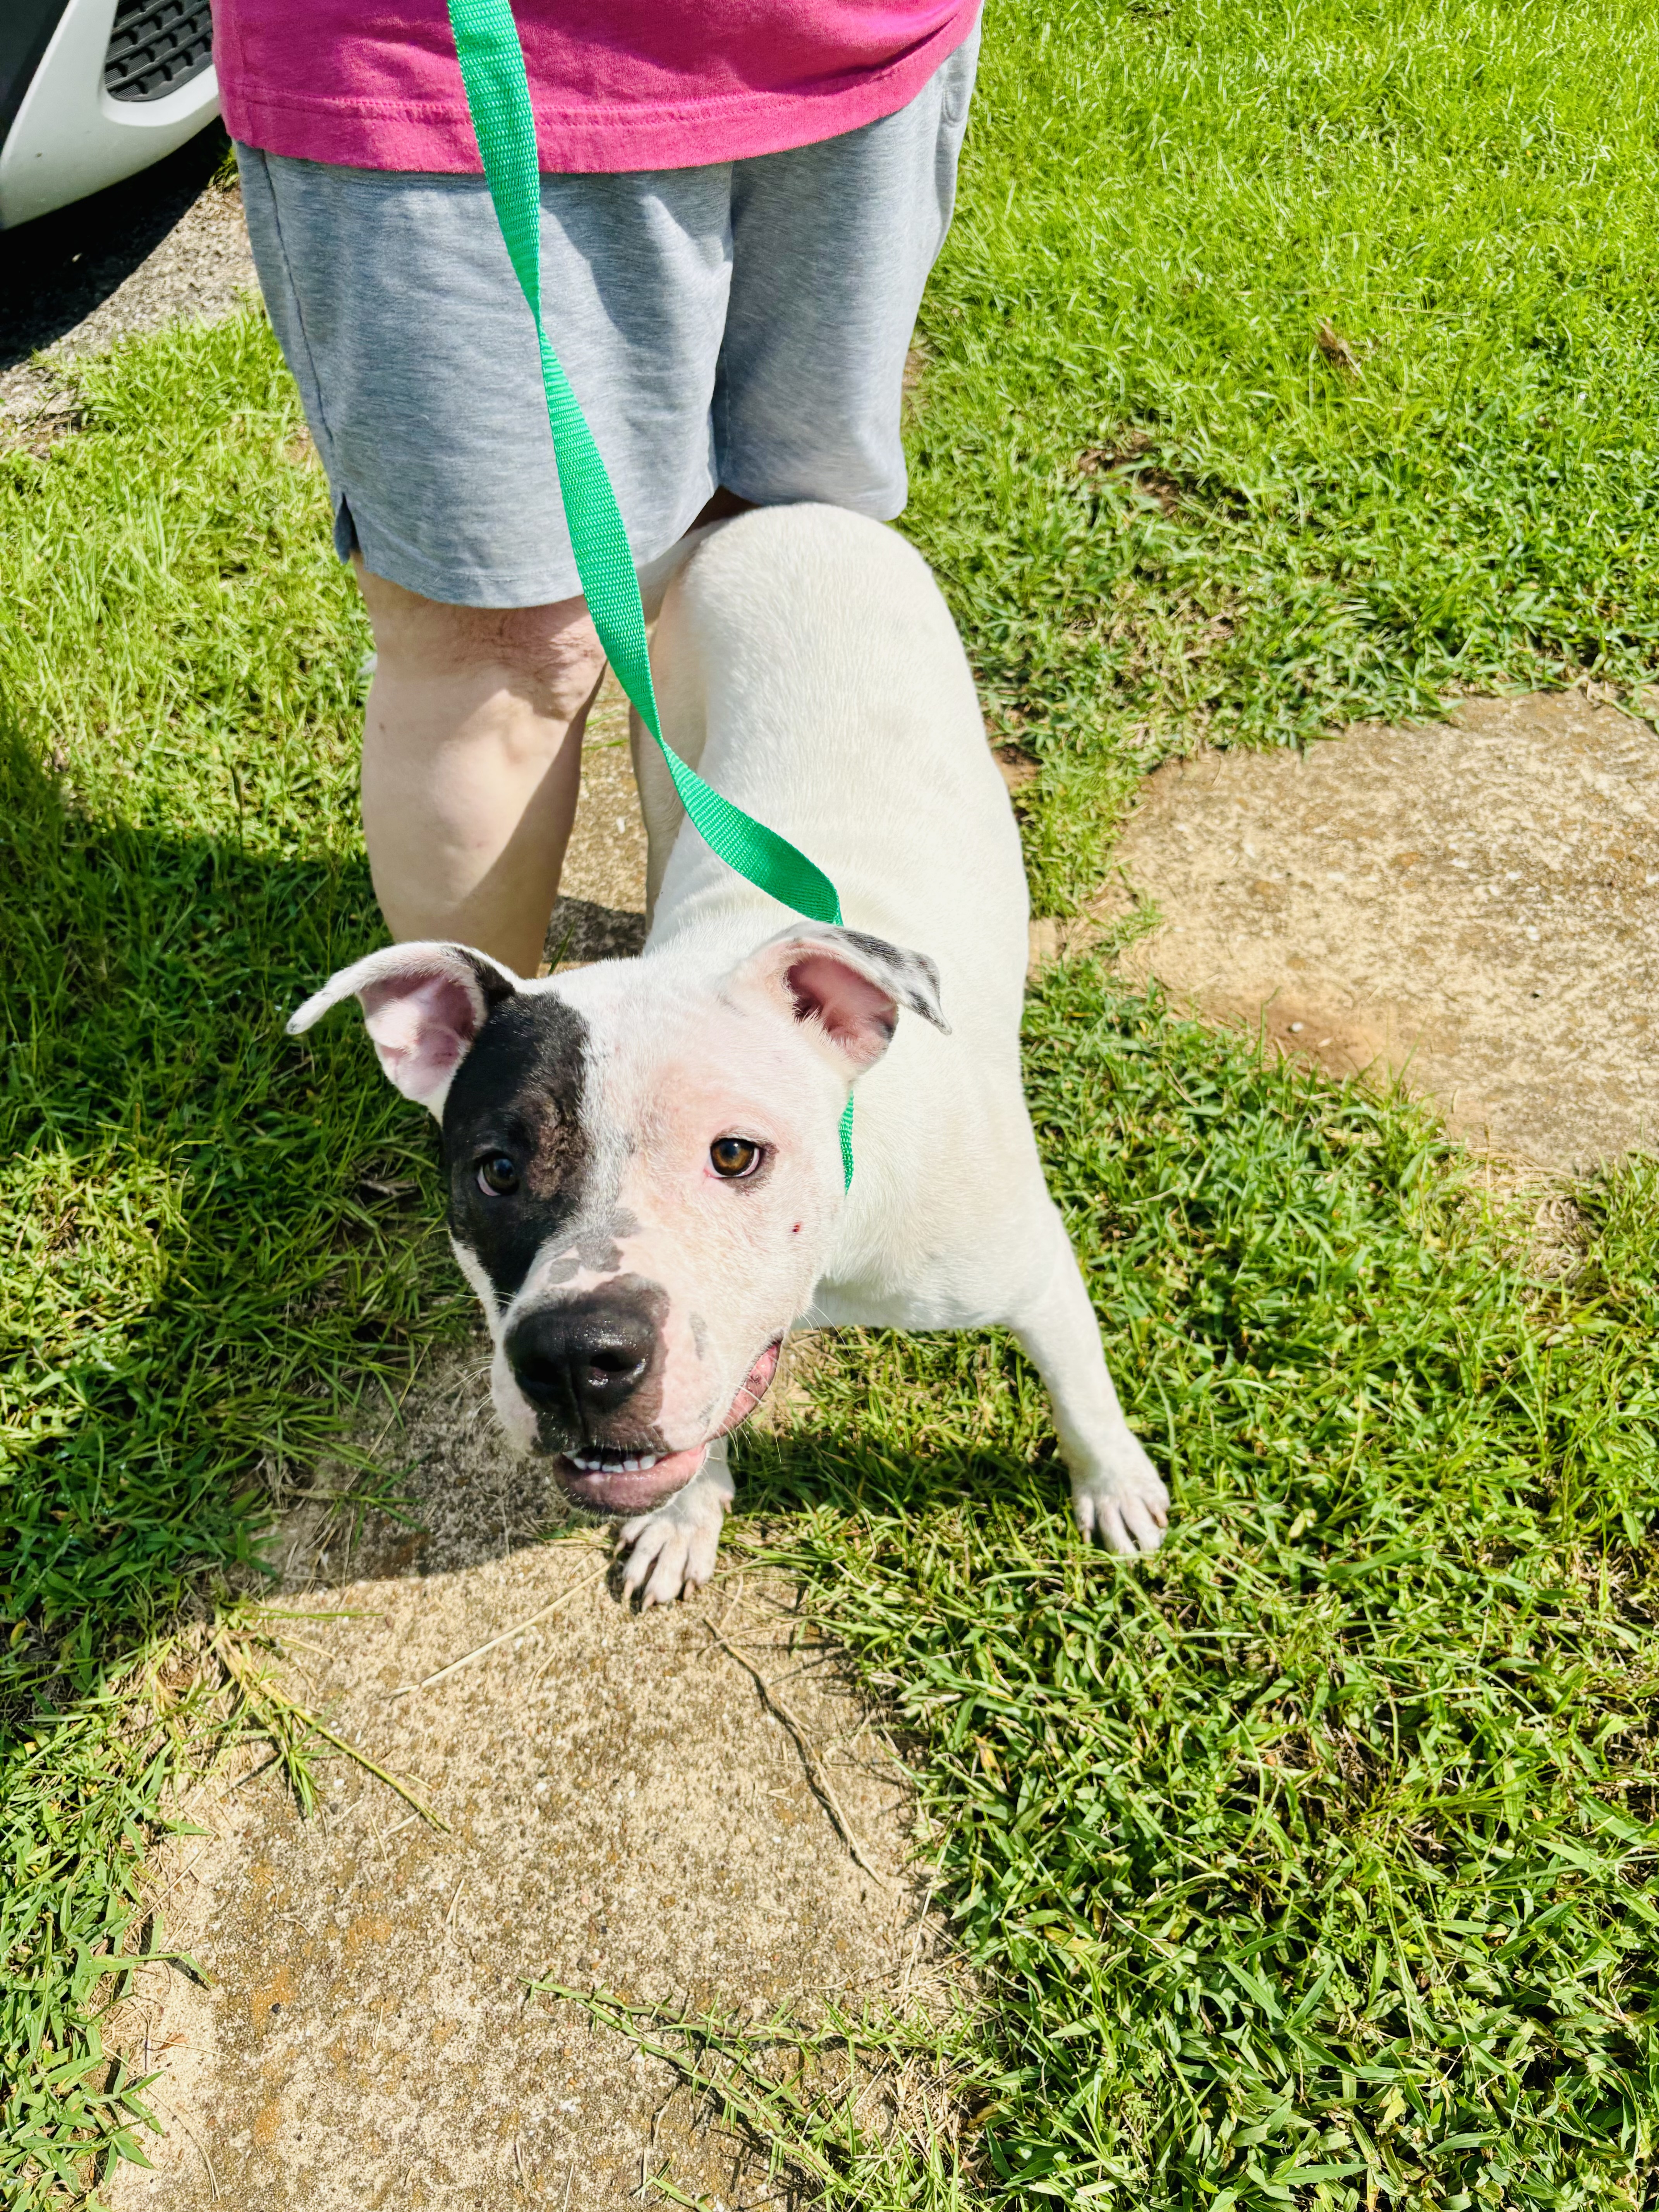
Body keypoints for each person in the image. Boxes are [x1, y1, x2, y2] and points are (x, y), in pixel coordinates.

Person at [212, 0, 982, 974]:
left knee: (772, 569)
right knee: (504, 650)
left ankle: (723, 1040)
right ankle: (489, 1101)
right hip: (455, 68)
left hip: (859, 50)